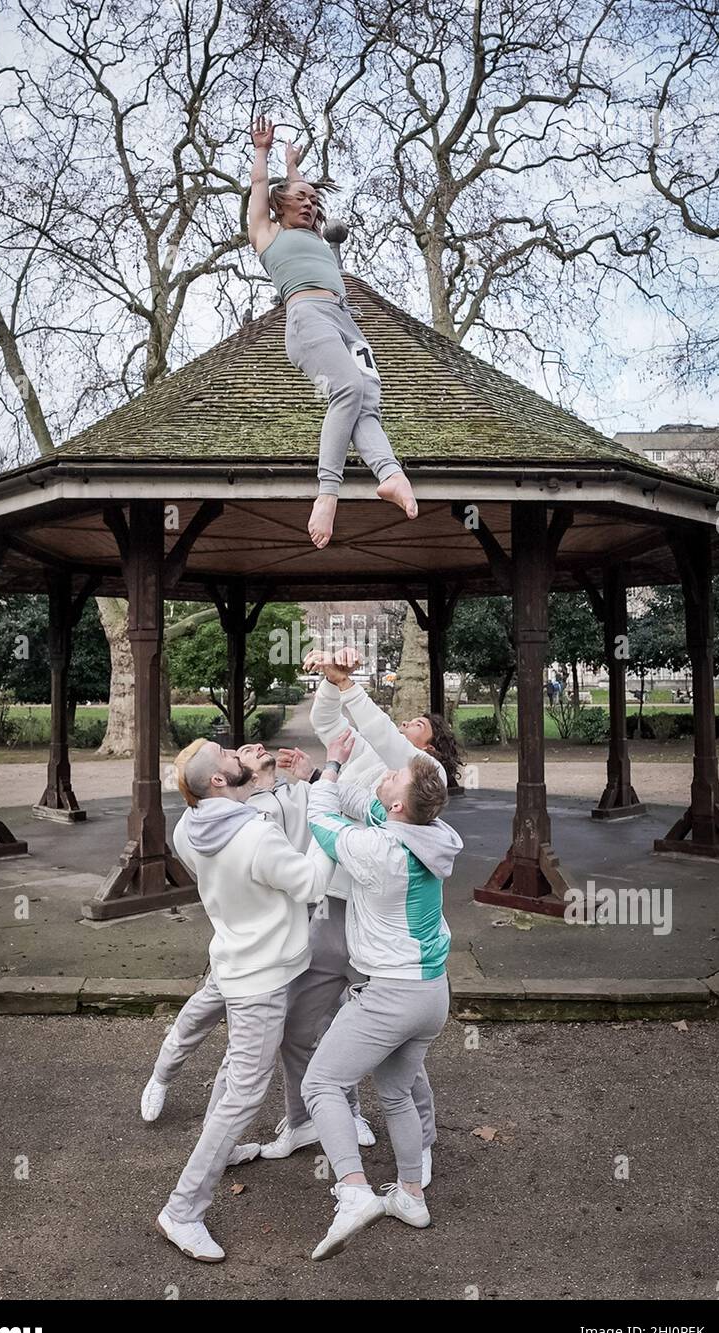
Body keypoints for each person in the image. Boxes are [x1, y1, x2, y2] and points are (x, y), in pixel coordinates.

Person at [259, 647, 461, 1183]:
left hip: (381, 922)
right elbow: (331, 734)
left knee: (398, 1051)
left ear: (431, 751)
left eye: (415, 725)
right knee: (302, 1017)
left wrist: (350, 687)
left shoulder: (419, 772)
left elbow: (373, 749)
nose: (402, 727)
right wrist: (331, 686)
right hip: (335, 906)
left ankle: (421, 1144)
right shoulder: (380, 774)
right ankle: (314, 1117)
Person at [153, 738, 334, 1263]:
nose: (238, 755)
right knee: (245, 1093)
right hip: (264, 976)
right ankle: (183, 1210)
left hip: (234, 961)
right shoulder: (256, 835)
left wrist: (265, 788)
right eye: (229, 757)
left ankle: (226, 1149)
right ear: (218, 779)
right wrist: (325, 813)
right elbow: (312, 885)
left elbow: (239, 843)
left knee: (237, 1072)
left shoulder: (187, 828)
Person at [302, 728, 462, 1260]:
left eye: (392, 774)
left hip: (390, 993)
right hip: (432, 992)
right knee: (395, 1093)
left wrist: (330, 765)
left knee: (321, 1083)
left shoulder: (379, 850)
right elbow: (363, 803)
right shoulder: (430, 831)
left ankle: (353, 1192)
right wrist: (331, 774)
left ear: (397, 802)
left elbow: (321, 823)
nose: (386, 772)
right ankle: (411, 1195)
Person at [247, 113, 418, 549]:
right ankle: (327, 493)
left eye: (313, 200)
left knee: (366, 398)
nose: (309, 204)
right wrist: (264, 152)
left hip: (345, 320)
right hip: (307, 319)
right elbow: (260, 191)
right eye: (300, 198)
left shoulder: (316, 236)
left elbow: (302, 192)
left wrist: (294, 165)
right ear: (278, 204)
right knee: (347, 389)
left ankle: (389, 473)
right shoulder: (267, 234)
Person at [140, 741, 320, 1125]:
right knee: (197, 1020)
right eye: (234, 752)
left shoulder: (295, 792)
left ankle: (311, 1118)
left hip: (287, 941)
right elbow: (302, 876)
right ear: (223, 779)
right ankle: (162, 1076)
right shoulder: (216, 822)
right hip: (244, 950)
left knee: (298, 1031)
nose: (246, 749)